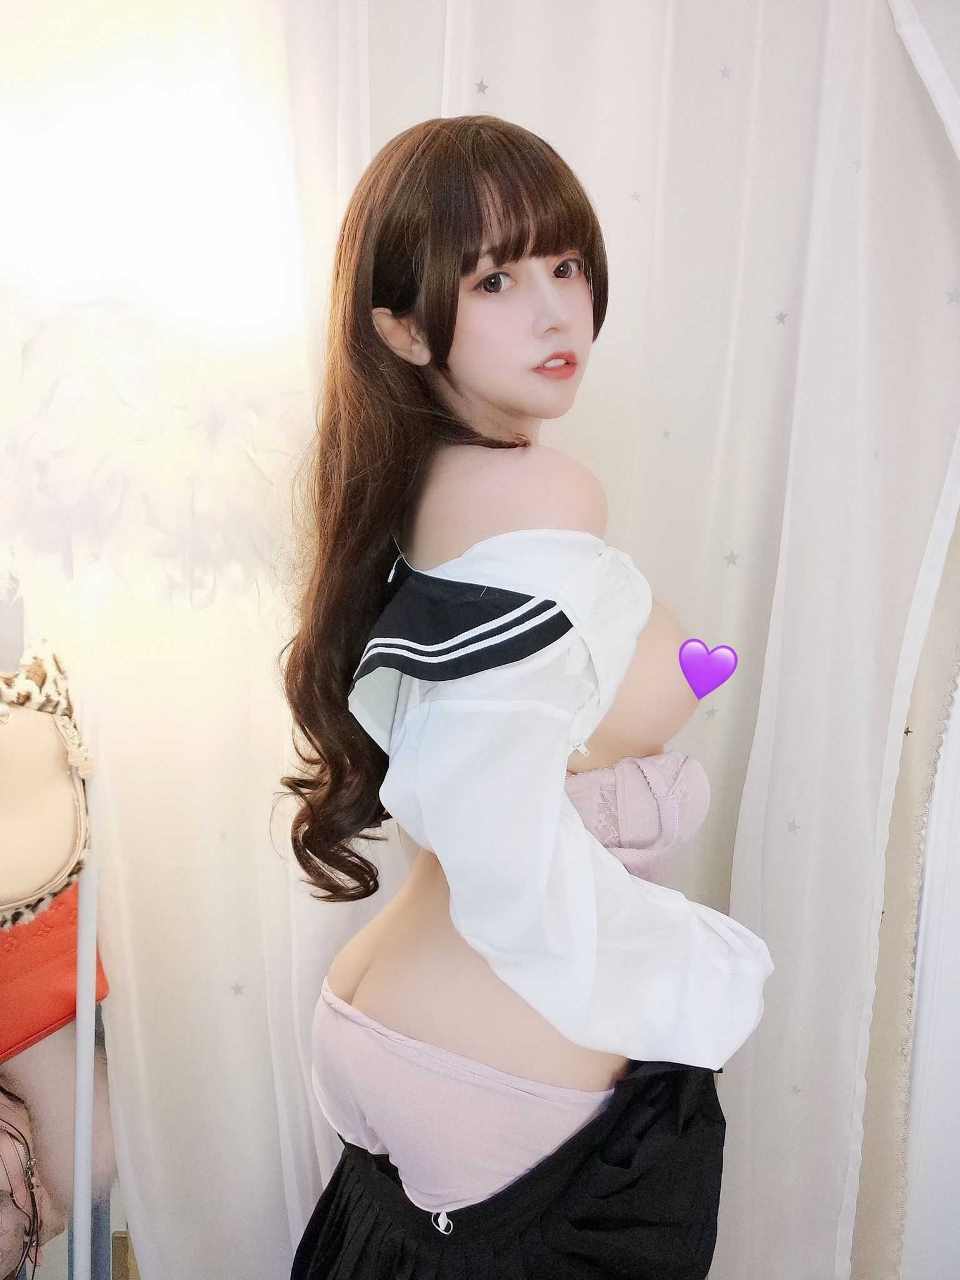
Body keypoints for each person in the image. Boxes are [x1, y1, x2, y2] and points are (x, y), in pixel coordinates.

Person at [281, 113, 774, 1278]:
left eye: (565, 263)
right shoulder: (544, 492)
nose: (557, 313)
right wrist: (657, 951)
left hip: (392, 1010)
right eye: (495, 280)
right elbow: (488, 806)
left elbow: (478, 761)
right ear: (401, 326)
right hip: (497, 1051)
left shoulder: (409, 484)